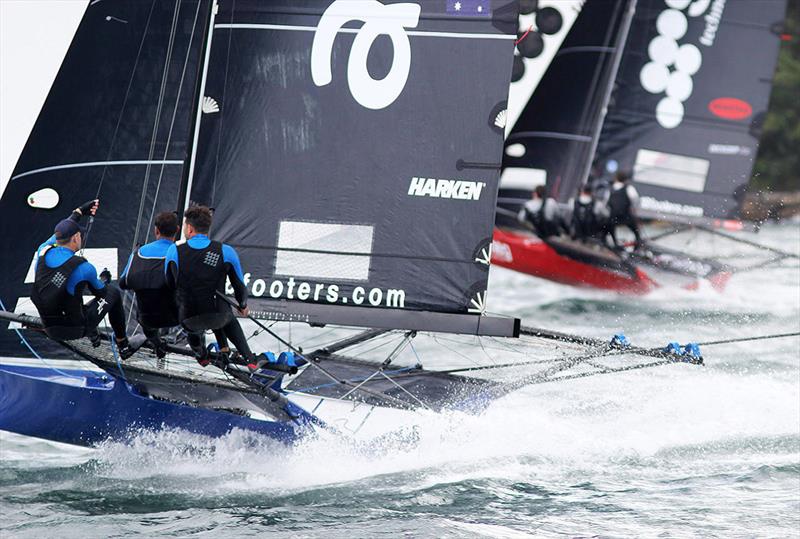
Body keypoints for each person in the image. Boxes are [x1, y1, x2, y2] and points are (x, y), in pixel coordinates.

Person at [31, 199, 134, 357]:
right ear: (75, 238)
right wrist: (104, 279)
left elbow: (58, 234)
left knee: (70, 295)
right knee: (113, 293)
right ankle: (123, 345)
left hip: (49, 327)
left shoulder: (43, 251)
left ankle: (93, 333)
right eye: (80, 234)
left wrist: (78, 212)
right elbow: (101, 293)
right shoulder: (84, 267)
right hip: (75, 329)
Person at [165, 205, 253, 364]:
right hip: (219, 316)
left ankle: (201, 355)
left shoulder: (173, 251)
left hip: (189, 318)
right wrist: (243, 304)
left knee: (192, 328)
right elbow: (239, 286)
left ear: (190, 228)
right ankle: (250, 358)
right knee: (229, 318)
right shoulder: (226, 251)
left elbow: (169, 285)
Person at [119, 211, 180, 358]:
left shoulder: (138, 253)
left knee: (148, 321)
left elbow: (123, 283)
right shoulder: (180, 252)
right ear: (177, 230)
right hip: (176, 318)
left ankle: (157, 344)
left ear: (156, 230)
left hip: (147, 318)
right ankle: (198, 348)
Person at [605, 171, 643, 249]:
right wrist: (634, 208)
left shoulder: (610, 189)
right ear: (625, 180)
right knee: (636, 230)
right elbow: (636, 200)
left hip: (613, 216)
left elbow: (605, 203)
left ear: (616, 178)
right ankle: (637, 245)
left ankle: (613, 243)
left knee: (608, 227)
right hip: (625, 215)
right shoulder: (629, 188)